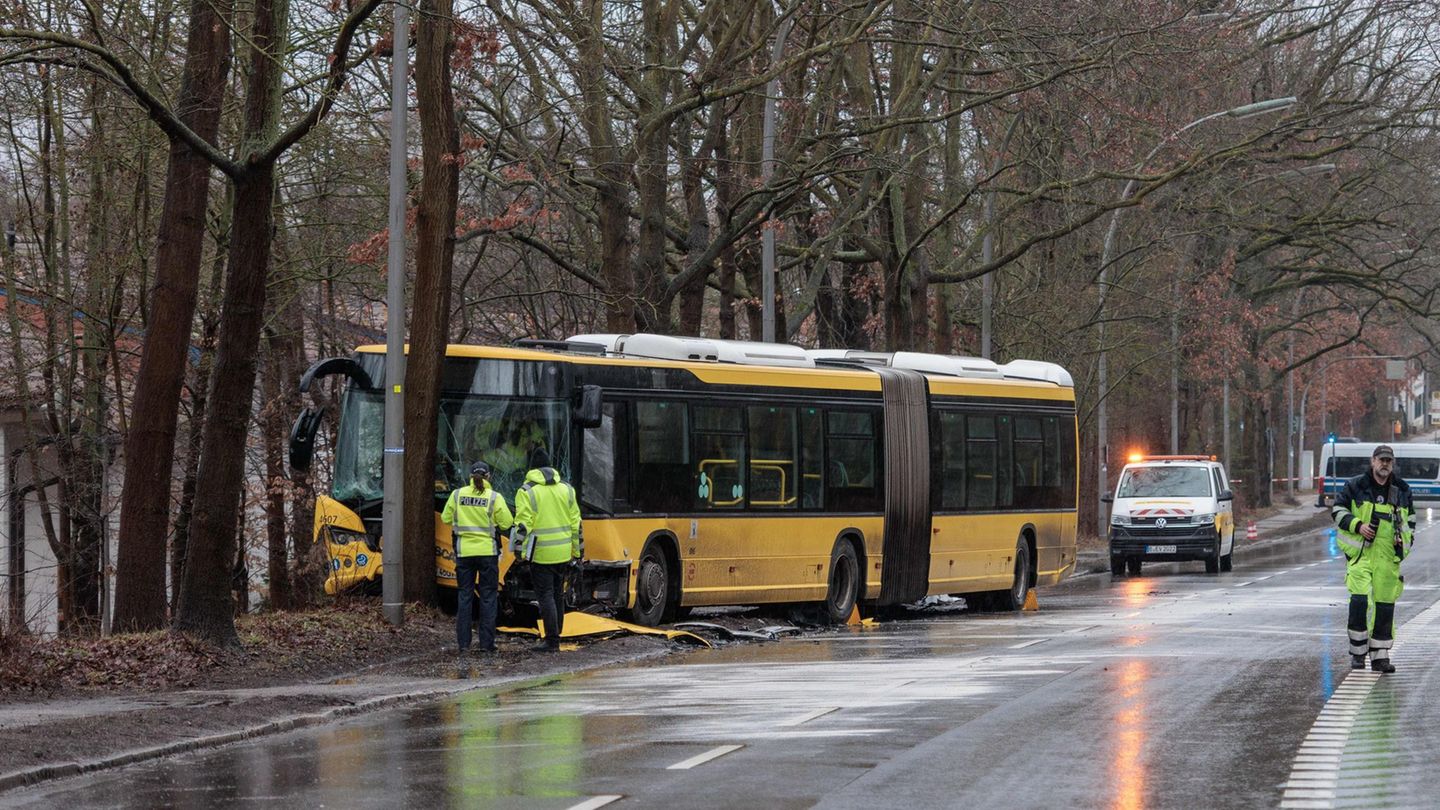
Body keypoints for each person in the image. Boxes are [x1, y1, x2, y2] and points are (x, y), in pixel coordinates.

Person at [1331, 444, 1415, 673]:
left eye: (1388, 460)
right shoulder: (1356, 486)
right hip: (1361, 555)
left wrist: (1402, 547)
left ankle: (1380, 656)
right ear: (1373, 461)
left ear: (1393, 463)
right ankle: (1358, 652)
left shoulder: (1402, 489)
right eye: (1381, 460)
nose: (1385, 464)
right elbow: (1337, 511)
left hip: (1388, 559)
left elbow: (1411, 522)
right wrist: (1358, 526)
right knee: (1359, 601)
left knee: (1385, 607)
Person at [511, 447, 582, 652]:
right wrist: (577, 553)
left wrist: (519, 552)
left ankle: (552, 641)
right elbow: (576, 524)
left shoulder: (526, 491)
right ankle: (557, 633)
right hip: (563, 553)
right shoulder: (567, 489)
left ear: (532, 468)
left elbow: (524, 525)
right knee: (558, 594)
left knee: (546, 596)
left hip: (541, 553)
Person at [441, 461, 514, 656]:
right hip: (487, 554)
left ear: (470, 477)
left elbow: (446, 519)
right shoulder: (494, 498)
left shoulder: (457, 495)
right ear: (488, 477)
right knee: (488, 597)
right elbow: (507, 522)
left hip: (464, 553)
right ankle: (486, 644)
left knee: (464, 596)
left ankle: (463, 644)